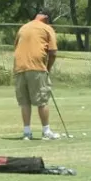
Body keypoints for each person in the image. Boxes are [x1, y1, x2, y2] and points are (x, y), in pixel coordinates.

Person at [13, 9, 60, 140]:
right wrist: (47, 69)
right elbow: (53, 52)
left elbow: (16, 46)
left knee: (25, 102)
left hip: (19, 67)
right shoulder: (47, 28)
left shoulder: (23, 28)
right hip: (37, 67)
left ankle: (27, 132)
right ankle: (46, 131)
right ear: (46, 19)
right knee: (42, 101)